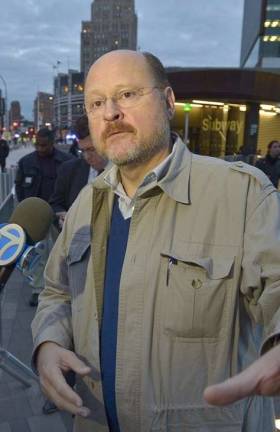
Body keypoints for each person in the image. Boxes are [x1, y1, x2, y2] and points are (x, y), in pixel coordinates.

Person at [32, 50, 280, 432]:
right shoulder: (86, 203)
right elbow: (56, 291)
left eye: (127, 94)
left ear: (168, 102)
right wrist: (48, 345)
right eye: (97, 102)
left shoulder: (242, 195)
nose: (111, 112)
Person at [15, 128, 73, 306]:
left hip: (58, 215)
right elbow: (19, 187)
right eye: (37, 145)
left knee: (62, 254)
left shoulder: (67, 162)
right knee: (38, 256)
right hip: (36, 219)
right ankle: (38, 289)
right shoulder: (26, 162)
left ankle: (63, 289)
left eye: (44, 145)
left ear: (52, 143)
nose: (40, 148)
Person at [49, 115, 106, 230]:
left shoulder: (128, 174)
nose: (87, 157)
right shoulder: (68, 169)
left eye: (92, 149)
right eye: (82, 150)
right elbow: (55, 204)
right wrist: (61, 216)